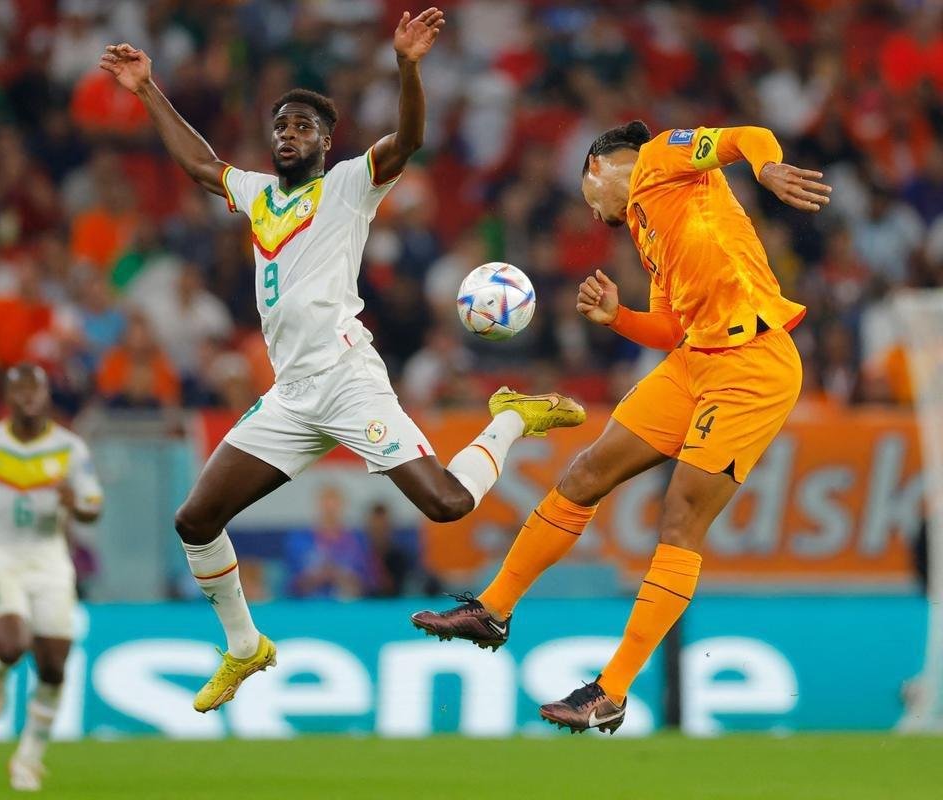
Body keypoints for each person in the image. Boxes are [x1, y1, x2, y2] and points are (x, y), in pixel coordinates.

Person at [99, 7, 585, 713]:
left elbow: (411, 137)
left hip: (348, 380)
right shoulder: (260, 195)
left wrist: (407, 67)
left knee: (447, 504)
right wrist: (147, 89)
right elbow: (203, 165)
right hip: (292, 394)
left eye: (302, 126)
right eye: (280, 126)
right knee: (195, 520)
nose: (287, 134)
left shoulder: (352, 186)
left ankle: (508, 418)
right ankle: (244, 648)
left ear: (327, 141)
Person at [411, 120, 832, 734]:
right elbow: (669, 327)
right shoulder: (644, 225)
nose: (597, 217)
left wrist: (766, 170)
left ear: (595, 170)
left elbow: (748, 135)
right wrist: (617, 318)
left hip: (754, 364)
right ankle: (493, 609)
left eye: (591, 204)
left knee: (682, 517)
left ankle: (611, 691)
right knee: (585, 473)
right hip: (695, 360)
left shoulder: (664, 156)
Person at [0, 363, 103, 792]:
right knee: (13, 644)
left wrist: (77, 503)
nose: (28, 398)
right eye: (19, 391)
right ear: (8, 397)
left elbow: (94, 506)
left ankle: (29, 758)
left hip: (49, 558)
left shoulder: (69, 449)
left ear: (47, 396)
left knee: (54, 666)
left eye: (35, 390)